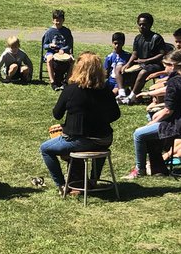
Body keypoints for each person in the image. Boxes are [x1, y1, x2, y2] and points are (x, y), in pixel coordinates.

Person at [39, 52, 120, 190]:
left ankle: (62, 185)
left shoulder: (71, 89)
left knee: (45, 149)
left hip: (80, 139)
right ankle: (94, 179)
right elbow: (116, 114)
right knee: (98, 146)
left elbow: (57, 114)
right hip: (104, 138)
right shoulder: (105, 89)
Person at [125, 50, 181, 178]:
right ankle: (158, 168)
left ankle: (139, 170)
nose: (164, 68)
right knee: (151, 131)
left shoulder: (175, 82)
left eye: (165, 65)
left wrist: (153, 121)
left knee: (139, 134)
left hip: (180, 126)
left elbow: (168, 110)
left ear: (173, 66)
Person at [114, 13, 166, 102]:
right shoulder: (138, 38)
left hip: (155, 64)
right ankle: (122, 93)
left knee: (143, 72)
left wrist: (145, 60)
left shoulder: (157, 38)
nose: (142, 26)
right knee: (119, 67)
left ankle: (131, 97)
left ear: (150, 25)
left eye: (144, 24)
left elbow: (161, 55)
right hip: (140, 63)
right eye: (140, 24)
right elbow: (134, 54)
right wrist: (128, 64)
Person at [41, 9, 75, 89]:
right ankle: (52, 82)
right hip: (51, 52)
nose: (58, 22)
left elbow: (69, 44)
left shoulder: (66, 31)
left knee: (72, 60)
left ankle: (66, 81)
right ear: (53, 20)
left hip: (64, 52)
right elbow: (44, 45)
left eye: (60, 20)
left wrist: (63, 49)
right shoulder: (49, 31)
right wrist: (50, 45)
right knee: (49, 60)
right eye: (56, 21)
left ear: (63, 20)